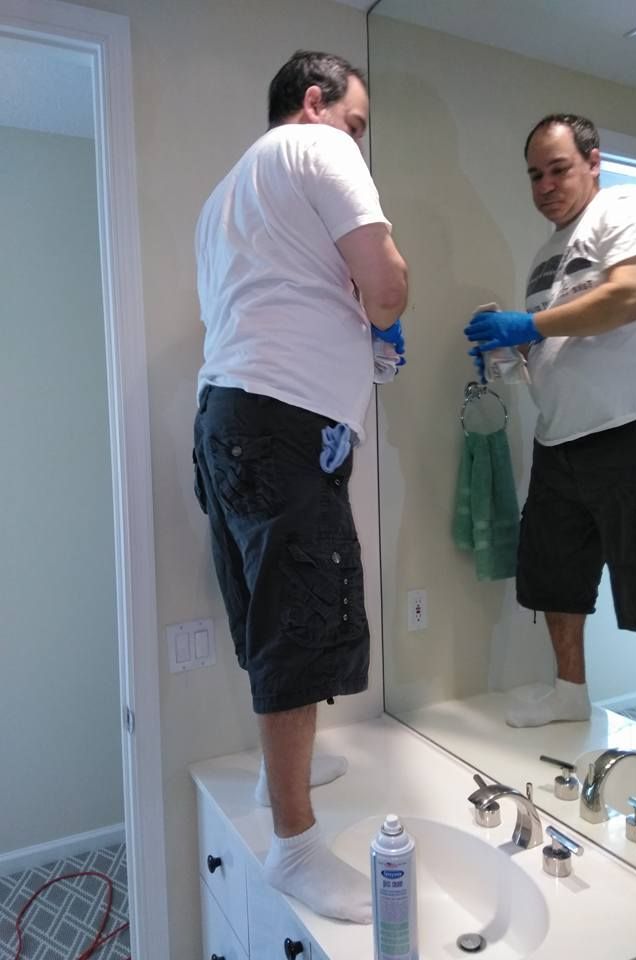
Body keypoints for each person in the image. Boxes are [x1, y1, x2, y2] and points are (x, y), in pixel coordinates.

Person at [192, 50, 408, 923]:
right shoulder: (319, 149)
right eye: (356, 122)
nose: (359, 140)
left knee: (264, 605)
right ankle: (295, 847)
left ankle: (278, 774)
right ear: (315, 104)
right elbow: (388, 290)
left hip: (228, 415)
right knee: (301, 614)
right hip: (284, 422)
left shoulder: (224, 196)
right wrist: (379, 307)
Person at [464, 114, 636, 774]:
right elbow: (550, 345)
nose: (545, 185)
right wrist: (511, 346)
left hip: (635, 429)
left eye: (559, 168)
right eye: (535, 175)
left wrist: (530, 321)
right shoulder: (547, 255)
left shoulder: (628, 207)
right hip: (560, 440)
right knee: (555, 579)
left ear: (594, 161)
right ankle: (571, 692)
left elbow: (629, 297)